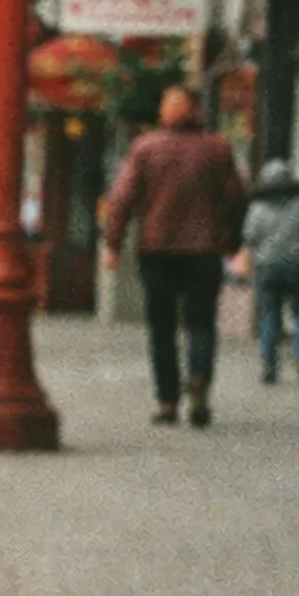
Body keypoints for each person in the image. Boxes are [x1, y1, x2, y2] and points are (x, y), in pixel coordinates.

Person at [102, 86, 249, 427]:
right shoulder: (217, 149)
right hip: (204, 251)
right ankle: (198, 379)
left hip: (157, 250)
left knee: (161, 326)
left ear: (165, 112)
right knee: (200, 323)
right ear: (197, 111)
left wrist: (112, 244)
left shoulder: (145, 148)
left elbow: (121, 199)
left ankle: (167, 401)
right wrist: (232, 242)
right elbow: (237, 199)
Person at [242, 158, 299, 385]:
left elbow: (249, 237)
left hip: (267, 266)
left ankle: (269, 366)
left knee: (269, 315)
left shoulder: (257, 208)